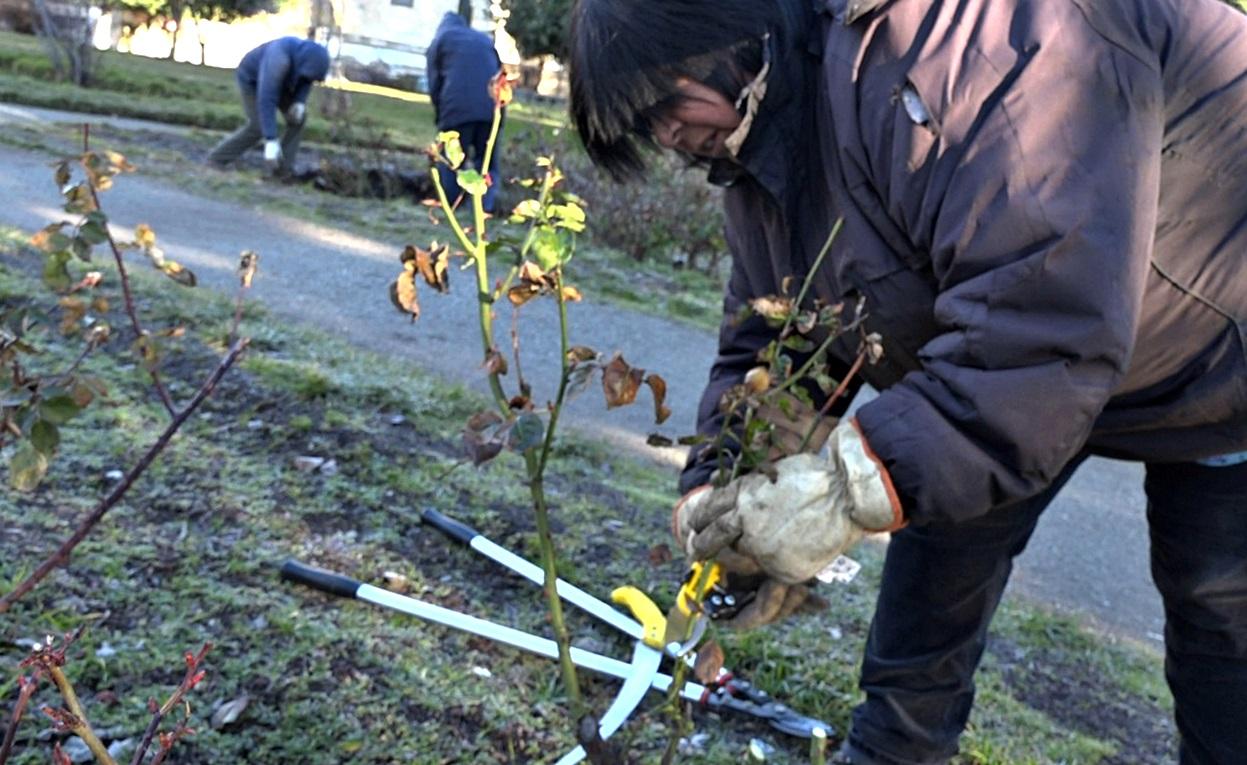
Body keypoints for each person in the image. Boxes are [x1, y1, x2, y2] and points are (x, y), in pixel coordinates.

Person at [566, 0, 1247, 763]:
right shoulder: (760, 147)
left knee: (1220, 621)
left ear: (731, 36)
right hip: (1012, 370)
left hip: (1215, 345)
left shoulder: (963, 50)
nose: (666, 136)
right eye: (643, 129)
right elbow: (781, 334)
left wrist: (840, 490)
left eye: (664, 104)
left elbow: (1039, 317)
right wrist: (727, 488)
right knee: (927, 592)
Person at [207, 36, 331, 174]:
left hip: (283, 82)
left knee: (298, 119)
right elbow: (267, 100)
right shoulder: (278, 60)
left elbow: (306, 80)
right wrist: (271, 139)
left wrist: (299, 102)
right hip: (252, 81)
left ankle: (283, 170)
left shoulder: (307, 62)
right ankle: (217, 159)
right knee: (259, 126)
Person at [425, 9, 503, 212]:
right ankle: (483, 209)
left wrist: (439, 113)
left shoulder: (441, 40)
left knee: (452, 161)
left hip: (456, 110)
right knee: (487, 163)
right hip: (491, 109)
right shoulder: (483, 40)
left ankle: (450, 205)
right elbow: (498, 75)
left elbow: (434, 82)